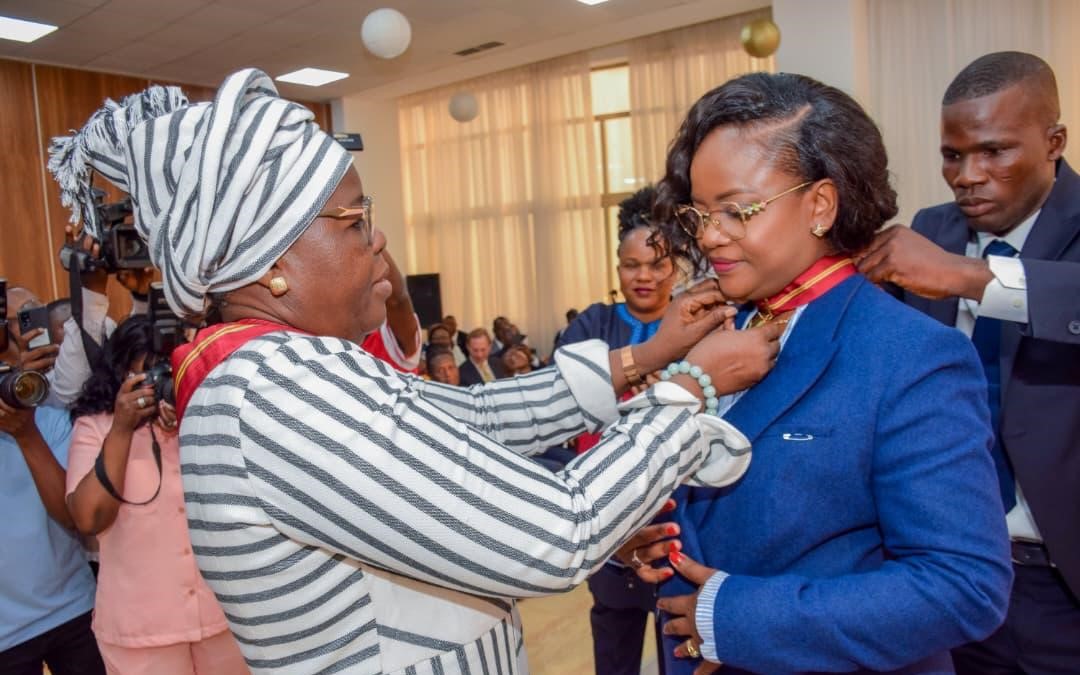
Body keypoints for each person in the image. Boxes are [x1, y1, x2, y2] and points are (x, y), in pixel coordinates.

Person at [48, 68, 782, 675]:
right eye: (354, 220)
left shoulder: (282, 366)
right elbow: (556, 532)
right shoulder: (279, 396)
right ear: (270, 261)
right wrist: (692, 389)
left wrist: (644, 357)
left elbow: (469, 421)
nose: (379, 241)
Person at [623, 72, 1013, 674]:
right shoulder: (700, 329)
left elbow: (963, 585)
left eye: (736, 210)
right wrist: (648, 533)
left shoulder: (909, 354)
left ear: (821, 205)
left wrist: (737, 615)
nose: (712, 236)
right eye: (700, 213)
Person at [859, 51, 1080, 674]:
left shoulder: (948, 256)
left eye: (994, 151)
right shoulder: (933, 228)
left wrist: (973, 278)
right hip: (950, 573)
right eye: (953, 155)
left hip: (1066, 583)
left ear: (1054, 141)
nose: (967, 176)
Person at [65, 316, 248, 674]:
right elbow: (87, 518)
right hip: (141, 631)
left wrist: (193, 417)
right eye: (146, 378)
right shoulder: (95, 428)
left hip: (223, 616)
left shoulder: (206, 415)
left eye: (167, 373)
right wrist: (121, 428)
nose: (157, 387)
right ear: (119, 375)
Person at [554, 185, 680, 675]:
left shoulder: (697, 322)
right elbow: (562, 399)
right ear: (617, 265)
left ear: (676, 265)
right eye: (632, 265)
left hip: (680, 517)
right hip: (609, 517)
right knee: (615, 654)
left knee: (680, 646)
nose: (644, 276)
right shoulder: (593, 324)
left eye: (657, 263)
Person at [0, 285, 103, 675]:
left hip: (74, 608)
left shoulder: (52, 415)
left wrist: (26, 432)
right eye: (20, 318)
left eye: (35, 312)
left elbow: (72, 514)